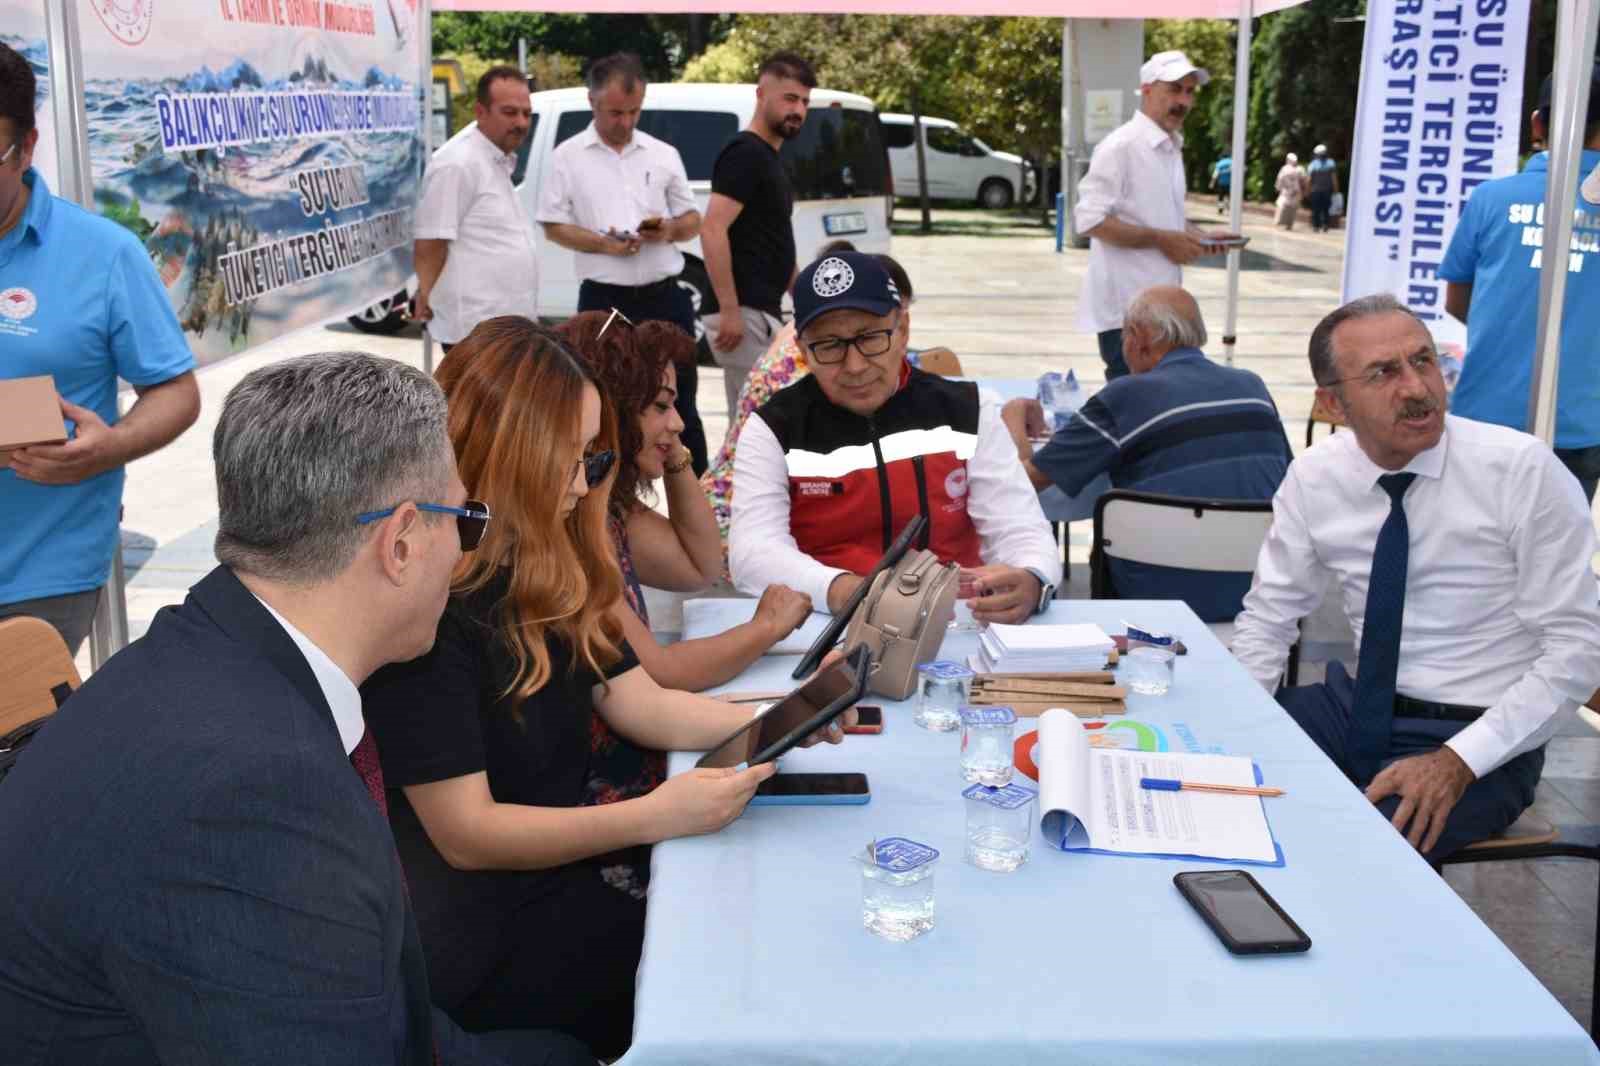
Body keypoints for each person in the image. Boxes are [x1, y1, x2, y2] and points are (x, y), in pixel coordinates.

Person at [0, 351, 590, 1066]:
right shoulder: (255, 792)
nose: (464, 553)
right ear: (400, 542)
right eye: (463, 520)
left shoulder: (209, 649)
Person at [360, 317, 849, 1059]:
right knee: (731, 979)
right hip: (480, 940)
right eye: (572, 458)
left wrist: (776, 717)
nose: (584, 480)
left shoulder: (544, 563)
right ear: (508, 454)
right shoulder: (433, 605)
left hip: (551, 889)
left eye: (591, 457)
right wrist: (654, 816)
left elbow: (638, 702)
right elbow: (468, 834)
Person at [1232, 295, 1600, 861]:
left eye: (1424, 361)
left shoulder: (1520, 471)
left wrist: (1458, 761)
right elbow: (1269, 617)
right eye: (1384, 373)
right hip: (1352, 708)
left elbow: (1579, 649)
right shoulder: (1315, 476)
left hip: (1481, 734)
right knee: (1204, 782)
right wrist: (1239, 726)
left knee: (1343, 851)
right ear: (1333, 402)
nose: (1417, 388)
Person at [730, 251, 1062, 624]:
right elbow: (751, 552)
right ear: (803, 351)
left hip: (957, 623)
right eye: (830, 346)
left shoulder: (969, 409)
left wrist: (1033, 576)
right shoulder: (773, 427)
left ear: (902, 330)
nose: (854, 366)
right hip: (828, 624)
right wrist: (848, 591)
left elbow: (1020, 526)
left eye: (870, 337)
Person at [0, 42, 200, 656]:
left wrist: (108, 448)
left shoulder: (103, 254)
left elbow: (175, 392)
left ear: (28, 148)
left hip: (39, 576)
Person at [999, 286, 1292, 621]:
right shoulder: (1252, 386)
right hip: (1259, 595)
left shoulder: (1124, 396)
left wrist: (1014, 417)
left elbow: (1024, 481)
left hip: (1152, 600)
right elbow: (1288, 476)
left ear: (1137, 338)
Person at [558, 310, 811, 697]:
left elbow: (699, 566)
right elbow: (662, 672)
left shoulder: (606, 505)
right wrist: (766, 628)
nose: (678, 422)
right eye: (661, 406)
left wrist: (673, 453)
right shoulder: (570, 517)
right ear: (615, 407)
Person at [538, 52, 709, 473]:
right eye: (616, 112)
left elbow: (692, 220)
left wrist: (665, 230)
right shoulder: (567, 156)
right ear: (592, 102)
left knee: (682, 397)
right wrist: (603, 244)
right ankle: (605, 501)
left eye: (634, 111)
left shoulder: (662, 153)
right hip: (603, 300)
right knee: (601, 402)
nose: (626, 122)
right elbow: (554, 226)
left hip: (664, 298)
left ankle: (701, 499)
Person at [1441, 66, 1600, 503]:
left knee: (1472, 551)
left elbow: (1457, 299)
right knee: (1555, 560)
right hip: (1581, 421)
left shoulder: (1492, 198)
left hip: (1487, 412)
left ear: (1537, 123)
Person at [1074, 50, 1230, 382]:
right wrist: (1162, 240)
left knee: (1161, 408)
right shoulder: (1121, 147)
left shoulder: (1171, 147)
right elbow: (1088, 220)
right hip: (1128, 314)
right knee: (1135, 411)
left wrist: (1197, 236)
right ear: (1147, 90)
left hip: (1165, 309)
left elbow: (1161, 216)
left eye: (1189, 92)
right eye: (1174, 89)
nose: (1184, 101)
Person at [700, 51, 813, 420]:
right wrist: (730, 309)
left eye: (805, 101)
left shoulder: (769, 159)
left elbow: (774, 239)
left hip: (762, 312)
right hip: (743, 316)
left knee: (762, 423)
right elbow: (712, 228)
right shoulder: (745, 153)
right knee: (752, 427)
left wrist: (808, 299)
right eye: (790, 98)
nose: (798, 109)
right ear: (762, 94)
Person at [412, 65, 538, 352]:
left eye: (526, 113)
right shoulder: (457, 163)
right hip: (474, 333)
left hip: (506, 330)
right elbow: (431, 242)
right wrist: (427, 296)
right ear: (480, 112)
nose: (520, 122)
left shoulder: (496, 159)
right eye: (509, 112)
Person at [1306, 144, 1340, 232]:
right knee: (1326, 209)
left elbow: (1309, 179)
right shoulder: (1331, 163)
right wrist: (1336, 190)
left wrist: (1307, 190)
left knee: (1316, 209)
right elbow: (1334, 178)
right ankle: (1325, 225)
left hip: (1316, 191)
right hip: (1327, 191)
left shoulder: (1313, 164)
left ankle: (1316, 226)